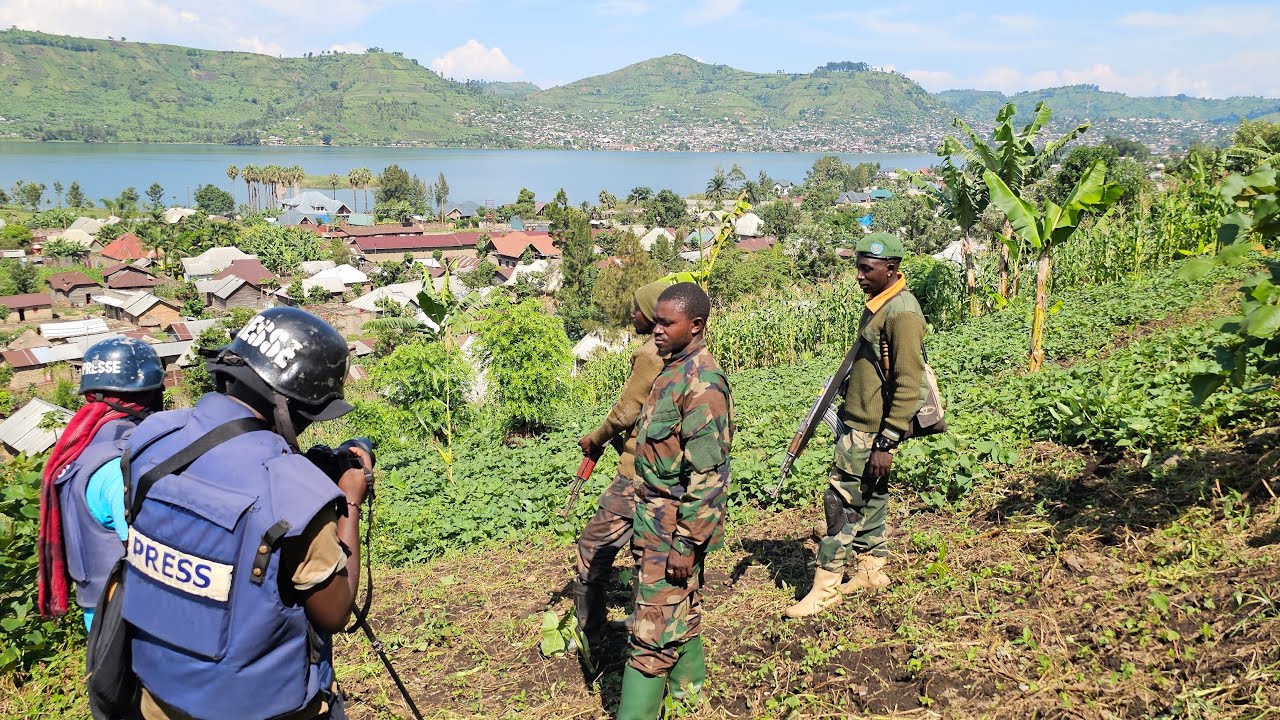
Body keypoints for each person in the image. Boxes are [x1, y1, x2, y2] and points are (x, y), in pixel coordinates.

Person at [115, 307, 371, 720]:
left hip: (156, 694)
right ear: (291, 407)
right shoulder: (293, 492)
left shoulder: (152, 437)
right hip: (261, 706)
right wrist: (350, 501)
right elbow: (335, 612)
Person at [785, 233, 925, 619]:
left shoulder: (903, 313)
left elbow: (909, 381)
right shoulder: (881, 305)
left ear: (891, 270)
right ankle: (871, 571)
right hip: (862, 421)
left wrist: (887, 441)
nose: (859, 276)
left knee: (840, 503)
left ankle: (826, 588)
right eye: (858, 268)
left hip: (872, 430)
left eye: (867, 269)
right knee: (873, 497)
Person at [617, 282, 734, 720]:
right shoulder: (670, 368)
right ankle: (689, 699)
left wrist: (686, 542)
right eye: (657, 321)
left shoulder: (702, 385)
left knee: (649, 636)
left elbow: (709, 477)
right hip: (653, 516)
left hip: (674, 525)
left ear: (697, 325)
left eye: (668, 323)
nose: (657, 330)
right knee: (676, 612)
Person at [37, 337, 166, 628]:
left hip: (96, 608)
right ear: (148, 394)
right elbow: (144, 552)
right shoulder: (121, 465)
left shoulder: (78, 447)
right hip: (128, 616)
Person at [574, 281, 668, 639]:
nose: (632, 315)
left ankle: (590, 630)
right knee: (646, 550)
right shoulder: (685, 354)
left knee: (594, 547)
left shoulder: (649, 354)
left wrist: (595, 438)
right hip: (662, 470)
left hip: (636, 471)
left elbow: (628, 410)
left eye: (636, 309)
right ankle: (647, 622)